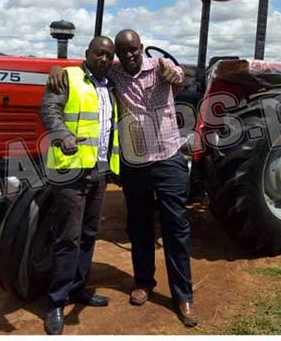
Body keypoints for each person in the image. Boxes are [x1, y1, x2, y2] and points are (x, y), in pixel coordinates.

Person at [48, 29, 197, 327]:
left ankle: (183, 296)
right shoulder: (114, 74)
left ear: (141, 48)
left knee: (175, 229)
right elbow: (86, 69)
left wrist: (175, 74)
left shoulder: (160, 67)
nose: (128, 55)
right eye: (122, 51)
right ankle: (143, 282)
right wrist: (57, 68)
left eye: (133, 49)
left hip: (168, 159)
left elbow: (181, 75)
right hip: (135, 165)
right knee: (139, 227)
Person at [40, 36, 119, 335]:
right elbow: (49, 110)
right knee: (68, 238)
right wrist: (63, 136)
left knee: (88, 234)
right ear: (87, 53)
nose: (104, 59)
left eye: (109, 55)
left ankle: (77, 288)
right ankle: (56, 302)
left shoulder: (110, 85)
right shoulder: (68, 77)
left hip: (99, 172)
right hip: (71, 172)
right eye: (99, 53)